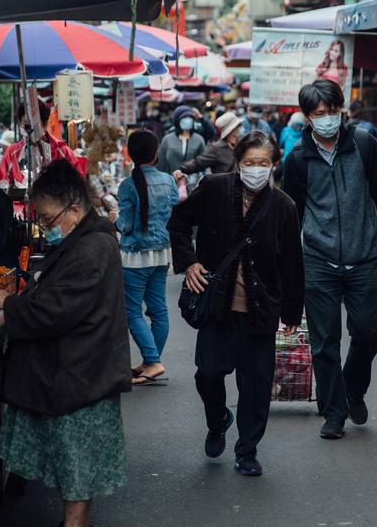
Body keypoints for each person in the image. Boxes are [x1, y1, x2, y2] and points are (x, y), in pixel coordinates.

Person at [0, 160, 131, 527]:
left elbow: (57, 308)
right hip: (83, 365)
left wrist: (11, 309)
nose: (45, 228)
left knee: (76, 461)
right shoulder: (87, 239)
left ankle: (75, 523)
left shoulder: (91, 248)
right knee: (73, 461)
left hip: (82, 370)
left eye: (48, 220)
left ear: (75, 209)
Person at [168, 131, 305, 477]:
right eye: (250, 163)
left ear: (273, 165)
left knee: (256, 388)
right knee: (208, 375)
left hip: (261, 312)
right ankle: (217, 420)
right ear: (237, 162)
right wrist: (190, 263)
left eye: (264, 163)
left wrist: (292, 312)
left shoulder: (284, 206)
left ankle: (247, 451)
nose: (256, 170)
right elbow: (179, 222)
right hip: (218, 309)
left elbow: (292, 262)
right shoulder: (215, 188)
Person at [281, 80, 377, 440]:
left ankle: (353, 389)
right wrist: (288, 266)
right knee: (324, 343)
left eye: (333, 111)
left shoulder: (364, 145)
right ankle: (333, 413)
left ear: (341, 109)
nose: (328, 118)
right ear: (307, 117)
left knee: (367, 332)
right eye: (320, 114)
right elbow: (292, 215)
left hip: (365, 258)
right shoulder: (298, 159)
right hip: (318, 260)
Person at [113, 130, 179, 386]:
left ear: (130, 155)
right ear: (156, 153)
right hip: (162, 255)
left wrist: (112, 221)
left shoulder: (128, 185)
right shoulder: (168, 181)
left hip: (135, 258)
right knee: (158, 310)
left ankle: (152, 360)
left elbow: (126, 225)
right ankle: (151, 360)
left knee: (132, 312)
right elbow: (174, 215)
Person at [0, 98, 86, 190]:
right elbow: (1, 182)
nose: (29, 129)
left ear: (45, 124)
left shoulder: (62, 151)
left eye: (34, 125)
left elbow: (78, 181)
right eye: (25, 125)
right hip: (22, 203)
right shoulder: (12, 152)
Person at [173, 111, 242, 180]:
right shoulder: (217, 148)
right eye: (233, 130)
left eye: (237, 129)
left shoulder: (241, 144)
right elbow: (198, 163)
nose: (236, 133)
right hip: (225, 187)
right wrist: (182, 169)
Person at [157, 105, 207, 175]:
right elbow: (161, 164)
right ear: (177, 120)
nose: (188, 119)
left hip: (193, 183)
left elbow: (203, 164)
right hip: (171, 181)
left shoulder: (199, 139)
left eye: (190, 117)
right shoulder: (167, 139)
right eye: (185, 117)